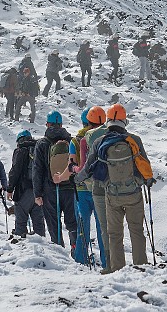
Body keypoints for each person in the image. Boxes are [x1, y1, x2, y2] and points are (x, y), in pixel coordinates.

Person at [81, 104, 154, 274]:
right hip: (133, 193)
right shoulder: (134, 140)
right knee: (136, 230)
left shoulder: (99, 142)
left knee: (114, 233)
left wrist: (76, 178)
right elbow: (144, 164)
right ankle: (141, 266)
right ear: (124, 120)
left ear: (108, 121)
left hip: (111, 194)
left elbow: (88, 168)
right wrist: (147, 181)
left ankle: (116, 269)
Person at [68, 107, 107, 268]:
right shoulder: (107, 138)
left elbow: (72, 164)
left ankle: (81, 261)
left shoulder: (76, 141)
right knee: (102, 228)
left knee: (82, 227)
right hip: (101, 188)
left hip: (82, 189)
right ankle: (107, 262)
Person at [32, 111, 77, 249]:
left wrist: (37, 194)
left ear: (47, 124)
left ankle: (60, 253)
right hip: (69, 188)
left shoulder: (42, 143)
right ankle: (77, 251)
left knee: (53, 224)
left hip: (50, 189)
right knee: (73, 224)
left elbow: (37, 170)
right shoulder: (71, 141)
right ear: (61, 125)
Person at [6, 130, 46, 237]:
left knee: (21, 220)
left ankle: (21, 241)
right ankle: (42, 244)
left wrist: (10, 189)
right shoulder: (39, 150)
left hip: (23, 190)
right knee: (38, 222)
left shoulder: (20, 151)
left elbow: (15, 171)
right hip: (39, 191)